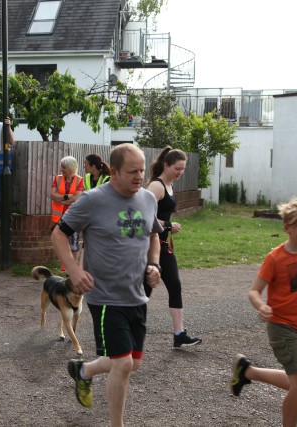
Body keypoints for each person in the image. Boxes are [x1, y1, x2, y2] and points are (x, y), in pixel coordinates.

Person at [52, 143, 163, 427]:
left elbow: (154, 235)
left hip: (137, 294)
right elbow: (58, 234)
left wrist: (155, 264)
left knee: (131, 363)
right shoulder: (92, 200)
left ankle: (83, 371)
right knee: (123, 364)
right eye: (132, 171)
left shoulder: (148, 199)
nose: (139, 176)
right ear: (113, 172)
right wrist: (74, 270)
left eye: (142, 170)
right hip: (105, 297)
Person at [231, 198, 297, 427]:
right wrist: (261, 306)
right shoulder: (275, 258)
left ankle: (247, 372)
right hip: (281, 326)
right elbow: (254, 291)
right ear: (287, 228)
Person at [146, 147, 202, 348]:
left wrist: (167, 228)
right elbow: (143, 216)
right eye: (177, 168)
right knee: (143, 292)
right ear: (166, 165)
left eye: (183, 169)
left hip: (163, 246)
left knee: (175, 286)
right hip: (148, 247)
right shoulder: (156, 186)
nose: (180, 172)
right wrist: (168, 225)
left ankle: (179, 334)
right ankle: (126, 330)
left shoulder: (169, 185)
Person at [50, 156, 84, 266]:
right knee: (61, 243)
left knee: (74, 244)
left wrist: (61, 199)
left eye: (64, 167)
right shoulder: (57, 179)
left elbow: (76, 198)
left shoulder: (79, 180)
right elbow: (53, 195)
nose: (61, 169)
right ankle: (65, 266)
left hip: (74, 216)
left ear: (70, 168)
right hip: (59, 217)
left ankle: (73, 267)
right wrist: (67, 196)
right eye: (61, 167)